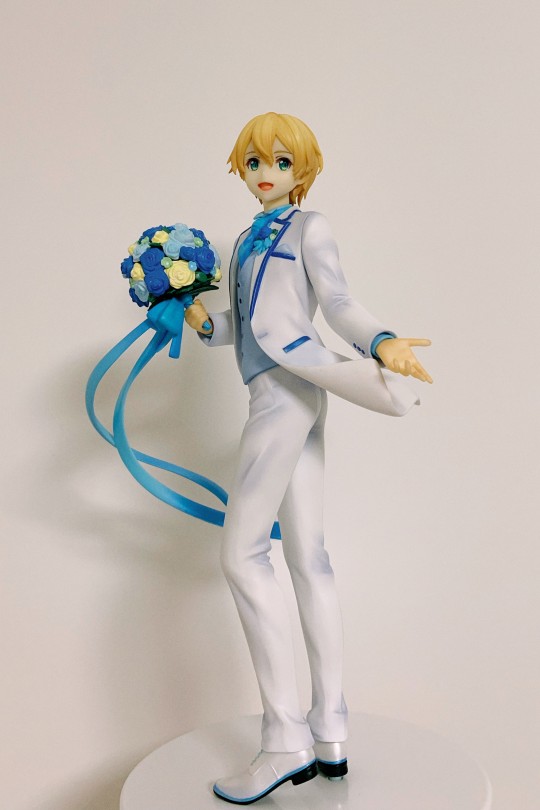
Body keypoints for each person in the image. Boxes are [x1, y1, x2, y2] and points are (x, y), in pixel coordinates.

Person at [185, 112, 432, 805]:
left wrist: (381, 342)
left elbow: (338, 302)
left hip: (290, 391)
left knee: (242, 556)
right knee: (307, 556)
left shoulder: (309, 228)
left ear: (303, 169)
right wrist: (198, 318)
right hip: (273, 388)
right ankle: (330, 730)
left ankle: (283, 739)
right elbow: (247, 325)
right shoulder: (244, 240)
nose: (267, 173)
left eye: (281, 161)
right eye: (255, 162)